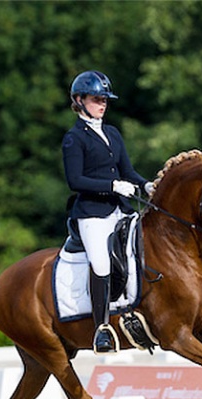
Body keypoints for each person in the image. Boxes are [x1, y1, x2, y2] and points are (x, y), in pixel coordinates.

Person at [62, 70, 154, 353]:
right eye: (96, 99)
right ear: (79, 100)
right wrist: (112, 186)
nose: (102, 104)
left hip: (119, 210)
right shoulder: (73, 138)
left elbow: (128, 171)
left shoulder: (112, 132)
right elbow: (75, 180)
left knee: (139, 250)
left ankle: (134, 313)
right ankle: (101, 328)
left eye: (104, 100)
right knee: (101, 263)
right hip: (92, 214)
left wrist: (146, 184)